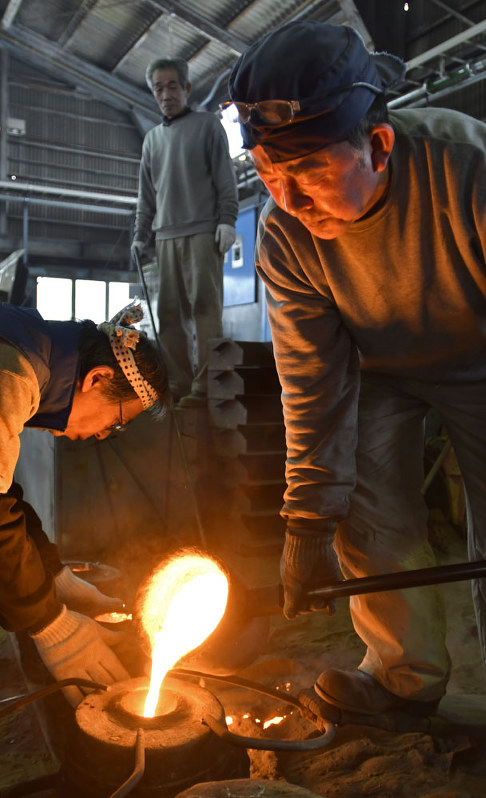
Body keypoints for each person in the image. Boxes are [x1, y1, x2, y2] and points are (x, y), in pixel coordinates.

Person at [226, 20, 486, 796]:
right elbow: (314, 385)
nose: (290, 199)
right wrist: (308, 521)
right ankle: (404, 677)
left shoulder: (476, 168)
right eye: (269, 173)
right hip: (378, 374)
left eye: (308, 169)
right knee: (368, 513)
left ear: (380, 143)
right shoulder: (287, 239)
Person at [0, 299, 169, 706]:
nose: (100, 435)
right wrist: (51, 626)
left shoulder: (29, 346)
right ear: (97, 378)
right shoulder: (13, 373)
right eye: (114, 422)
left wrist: (56, 575)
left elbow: (4, 496)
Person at [132, 57, 239, 407]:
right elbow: (146, 196)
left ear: (187, 88)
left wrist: (228, 219)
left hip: (202, 233)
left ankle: (211, 387)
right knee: (168, 317)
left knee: (206, 310)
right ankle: (178, 386)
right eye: (159, 88)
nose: (166, 94)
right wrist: (139, 234)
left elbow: (226, 178)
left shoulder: (208, 126)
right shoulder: (151, 142)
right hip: (165, 237)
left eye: (173, 86)